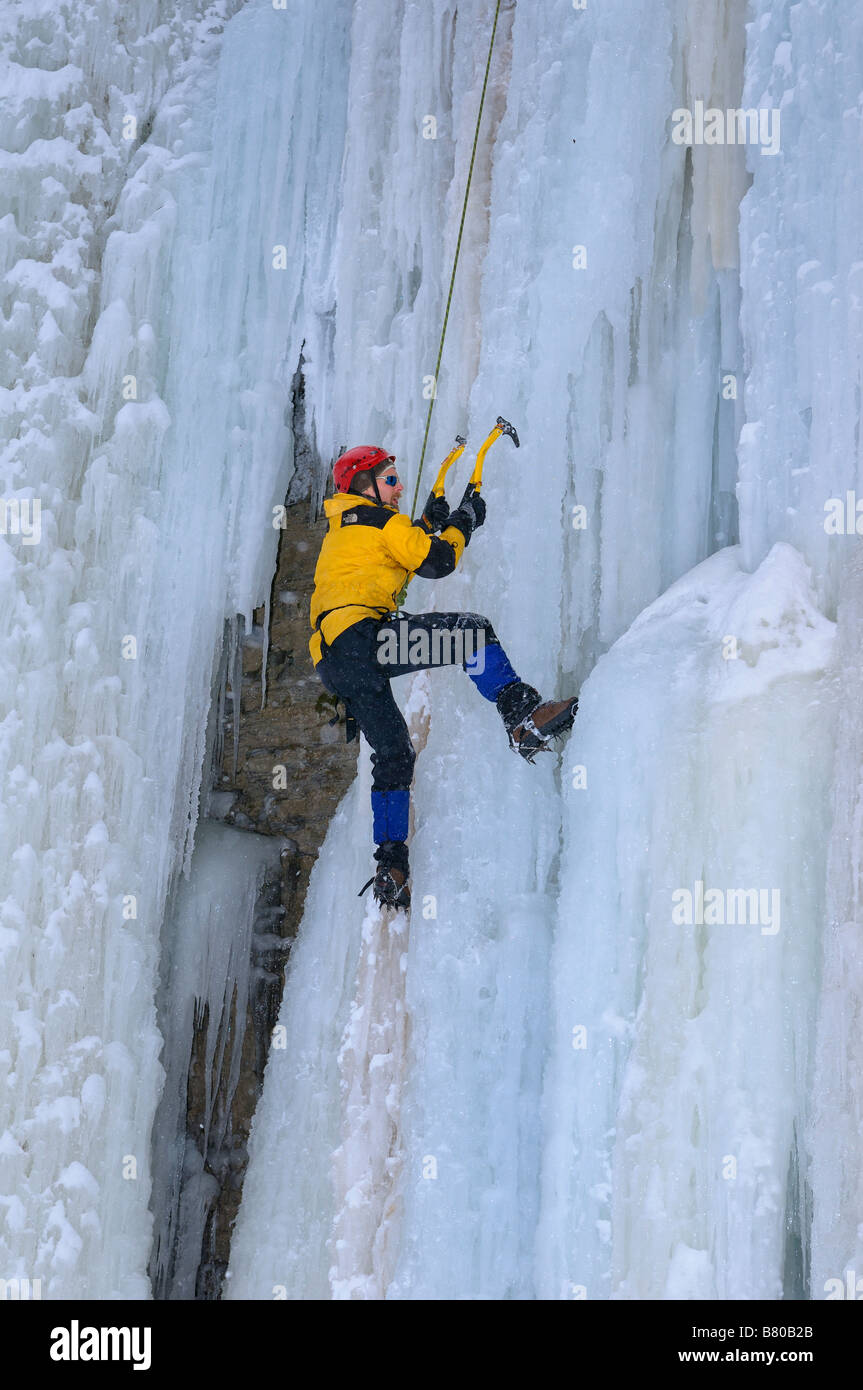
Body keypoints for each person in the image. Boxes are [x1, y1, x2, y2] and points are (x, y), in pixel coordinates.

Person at [309, 445, 578, 908]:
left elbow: (394, 552)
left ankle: (390, 867)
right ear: (363, 485)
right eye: (390, 480)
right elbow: (437, 562)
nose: (397, 490)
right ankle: (523, 718)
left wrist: (427, 525)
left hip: (335, 660)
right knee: (471, 634)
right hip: (365, 640)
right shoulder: (380, 522)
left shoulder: (344, 528)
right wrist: (463, 522)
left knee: (393, 754)